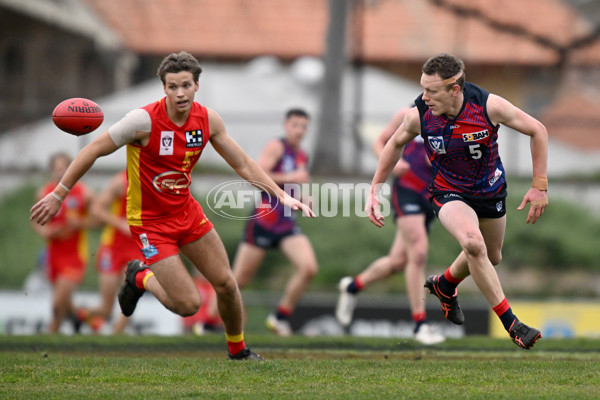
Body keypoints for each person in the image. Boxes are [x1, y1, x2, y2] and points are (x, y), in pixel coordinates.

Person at [30, 51, 314, 360]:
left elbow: (244, 163)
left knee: (226, 284)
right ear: (163, 88)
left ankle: (238, 351)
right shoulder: (142, 121)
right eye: (172, 86)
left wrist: (279, 194)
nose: (180, 93)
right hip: (150, 224)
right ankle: (140, 277)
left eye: (186, 86)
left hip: (187, 214)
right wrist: (59, 194)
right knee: (188, 304)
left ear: (196, 86)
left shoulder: (207, 120)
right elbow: (94, 149)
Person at [365, 53, 548, 350]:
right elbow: (394, 144)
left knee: (492, 256)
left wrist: (539, 185)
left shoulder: (488, 106)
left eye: (431, 91)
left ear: (454, 89)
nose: (424, 97)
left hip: (490, 191)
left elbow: (537, 130)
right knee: (473, 244)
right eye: (423, 88)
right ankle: (513, 324)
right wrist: (374, 188)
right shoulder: (419, 114)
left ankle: (445, 284)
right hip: (448, 192)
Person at [336, 107, 445, 345]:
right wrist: (393, 164)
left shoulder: (449, 118)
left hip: (432, 196)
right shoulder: (408, 115)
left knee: (397, 262)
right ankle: (420, 324)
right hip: (406, 192)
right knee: (418, 253)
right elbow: (380, 142)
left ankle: (352, 287)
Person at [232, 108, 318, 336]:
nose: (299, 131)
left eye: (303, 126)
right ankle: (209, 324)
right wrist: (292, 178)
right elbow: (256, 175)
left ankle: (279, 317)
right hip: (264, 221)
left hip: (287, 223)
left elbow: (294, 187)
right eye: (295, 125)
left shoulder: (301, 155)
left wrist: (304, 198)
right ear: (285, 126)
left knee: (308, 268)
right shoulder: (276, 147)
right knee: (237, 281)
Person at [31, 152, 94, 333]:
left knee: (57, 303)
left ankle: (47, 346)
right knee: (65, 304)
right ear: (51, 170)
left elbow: (99, 219)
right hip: (53, 257)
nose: (60, 172)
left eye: (64, 168)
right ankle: (88, 321)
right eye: (56, 168)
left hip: (75, 256)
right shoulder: (44, 193)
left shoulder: (84, 193)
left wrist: (81, 223)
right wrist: (45, 231)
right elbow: (34, 221)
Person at [75, 171, 140, 334]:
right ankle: (80, 315)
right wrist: (120, 223)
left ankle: (115, 341)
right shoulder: (121, 181)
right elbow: (96, 209)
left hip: (137, 248)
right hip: (113, 247)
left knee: (129, 298)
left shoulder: (157, 179)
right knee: (106, 309)